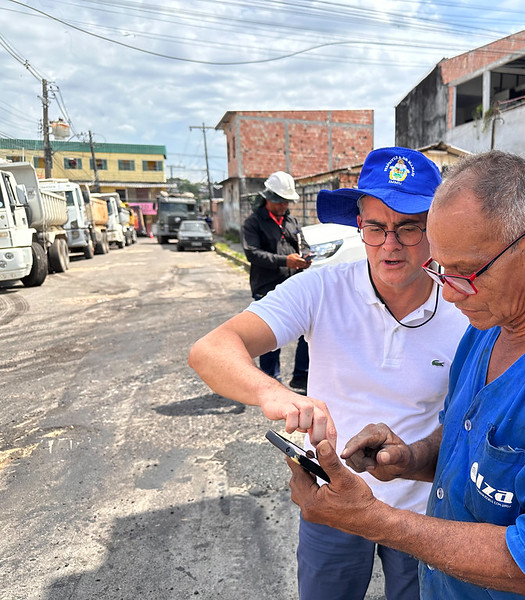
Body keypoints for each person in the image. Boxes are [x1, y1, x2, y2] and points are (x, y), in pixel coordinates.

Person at [285, 150, 525, 600]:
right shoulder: (488, 329)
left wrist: (373, 520)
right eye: (441, 270)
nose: (449, 294)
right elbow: (470, 442)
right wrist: (409, 458)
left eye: (467, 273)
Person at [188, 147, 469, 600]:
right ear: (360, 226)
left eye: (409, 228)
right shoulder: (322, 288)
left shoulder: (464, 308)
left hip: (423, 510)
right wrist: (274, 393)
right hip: (332, 498)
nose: (390, 244)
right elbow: (211, 350)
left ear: (435, 230)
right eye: (376, 227)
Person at [241, 171, 310, 392]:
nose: (283, 206)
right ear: (267, 197)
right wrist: (285, 261)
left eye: (287, 201)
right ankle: (269, 382)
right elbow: (252, 253)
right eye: (279, 201)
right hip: (267, 287)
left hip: (294, 287)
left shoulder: (291, 220)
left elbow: (304, 244)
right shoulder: (253, 223)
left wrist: (306, 257)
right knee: (270, 340)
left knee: (307, 333)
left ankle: (301, 376)